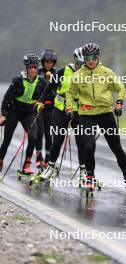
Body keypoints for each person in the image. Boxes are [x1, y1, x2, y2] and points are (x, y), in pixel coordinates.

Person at [65, 43, 126, 192]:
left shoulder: (107, 73)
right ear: (84, 58)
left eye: (93, 57)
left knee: (116, 147)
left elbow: (120, 88)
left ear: (98, 57)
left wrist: (119, 104)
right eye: (87, 57)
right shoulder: (77, 75)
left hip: (105, 113)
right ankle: (90, 178)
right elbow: (70, 93)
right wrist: (69, 108)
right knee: (89, 146)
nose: (91, 60)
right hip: (86, 115)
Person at [39, 47, 86, 180]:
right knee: (58, 139)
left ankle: (83, 172)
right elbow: (48, 89)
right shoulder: (63, 71)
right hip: (60, 110)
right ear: (74, 61)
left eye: (83, 65)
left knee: (81, 141)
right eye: (78, 64)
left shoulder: (89, 74)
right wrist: (44, 101)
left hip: (79, 112)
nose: (80, 67)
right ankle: (50, 168)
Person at [0, 54, 46, 174]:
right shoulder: (18, 80)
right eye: (31, 67)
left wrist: (41, 102)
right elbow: (6, 98)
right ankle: (0, 160)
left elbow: (47, 94)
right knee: (7, 139)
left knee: (33, 137)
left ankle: (26, 165)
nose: (33, 70)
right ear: (26, 68)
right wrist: (3, 114)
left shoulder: (41, 81)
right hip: (14, 111)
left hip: (29, 112)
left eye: (35, 67)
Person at [36, 49, 58, 168]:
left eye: (50, 62)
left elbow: (59, 89)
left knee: (49, 134)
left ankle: (48, 159)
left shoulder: (56, 73)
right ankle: (39, 156)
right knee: (39, 132)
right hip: (40, 107)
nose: (48, 64)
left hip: (51, 107)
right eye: (46, 61)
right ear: (43, 62)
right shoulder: (38, 72)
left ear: (54, 62)